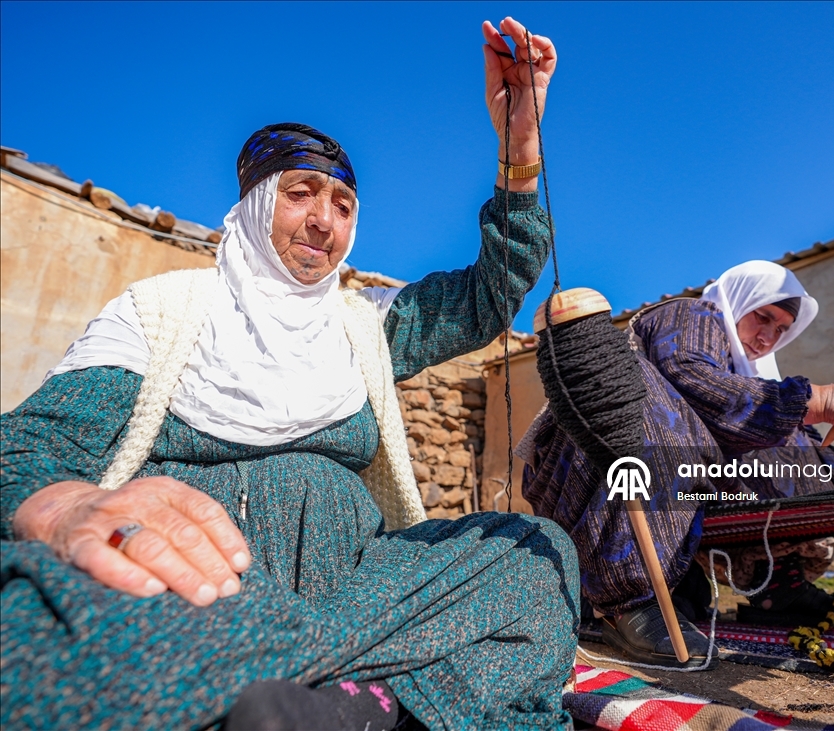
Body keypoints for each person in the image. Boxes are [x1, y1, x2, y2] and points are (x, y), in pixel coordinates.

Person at [1, 18, 580, 731]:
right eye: (302, 192)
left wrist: (520, 140)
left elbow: (494, 290)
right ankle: (372, 696)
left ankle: (272, 683)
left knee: (534, 555)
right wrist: (64, 509)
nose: (323, 221)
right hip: (210, 579)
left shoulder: (367, 323)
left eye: (342, 206)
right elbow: (29, 446)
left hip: (365, 584)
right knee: (28, 620)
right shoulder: (163, 312)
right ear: (253, 204)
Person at [521, 260, 834, 669]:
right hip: (587, 465)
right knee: (648, 392)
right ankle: (629, 603)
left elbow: (806, 457)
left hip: (677, 492)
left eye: (781, 329)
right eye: (762, 317)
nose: (767, 337)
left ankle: (779, 594)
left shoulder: (758, 377)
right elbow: (689, 377)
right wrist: (818, 400)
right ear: (737, 301)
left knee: (787, 455)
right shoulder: (690, 315)